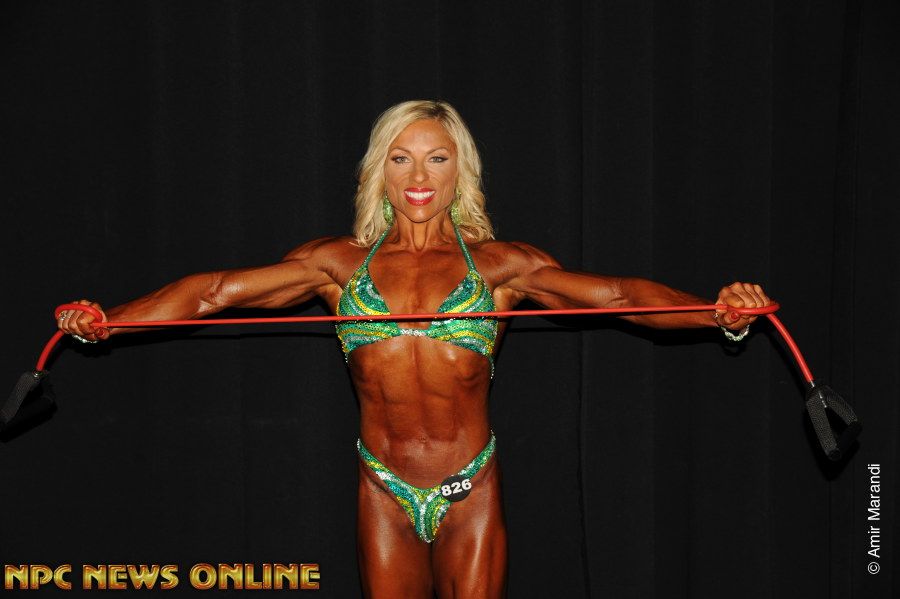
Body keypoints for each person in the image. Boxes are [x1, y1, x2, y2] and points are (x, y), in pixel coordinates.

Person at [57, 100, 772, 598]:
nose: (419, 177)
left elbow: (619, 297)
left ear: (461, 170)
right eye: (401, 158)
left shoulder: (501, 267)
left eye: (436, 158)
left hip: (470, 490)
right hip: (383, 489)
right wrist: (108, 320)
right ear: (381, 170)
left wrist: (719, 313)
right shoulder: (337, 265)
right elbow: (213, 292)